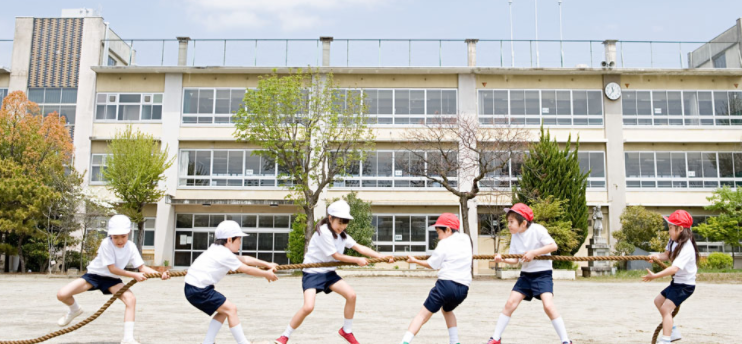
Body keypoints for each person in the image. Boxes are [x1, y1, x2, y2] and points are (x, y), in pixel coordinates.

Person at [275, 200, 393, 344]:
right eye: (340, 222)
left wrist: (382, 257)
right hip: (312, 272)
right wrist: (357, 260)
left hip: (329, 273)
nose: (342, 227)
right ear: (330, 218)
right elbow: (336, 256)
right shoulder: (323, 231)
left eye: (345, 223)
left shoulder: (342, 234)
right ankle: (285, 336)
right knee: (308, 307)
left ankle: (346, 331)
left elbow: (359, 247)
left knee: (351, 295)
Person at [55, 215, 170, 344]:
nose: (120, 240)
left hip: (112, 280)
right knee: (62, 294)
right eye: (115, 237)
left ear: (129, 233)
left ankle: (127, 339)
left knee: (131, 300)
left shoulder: (131, 247)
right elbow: (112, 269)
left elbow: (142, 267)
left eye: (123, 236)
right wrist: (134, 275)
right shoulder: (106, 244)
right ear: (110, 235)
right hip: (94, 276)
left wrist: (160, 274)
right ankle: (75, 309)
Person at [486, 203, 571, 344]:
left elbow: (553, 246)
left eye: (511, 222)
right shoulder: (515, 236)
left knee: (548, 306)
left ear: (523, 223)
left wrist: (533, 253)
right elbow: (515, 259)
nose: (509, 225)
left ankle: (566, 340)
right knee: (510, 303)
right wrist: (502, 259)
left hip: (543, 274)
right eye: (508, 222)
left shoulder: (538, 230)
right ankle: (496, 338)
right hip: (526, 275)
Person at [400, 213, 472, 344]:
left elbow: (432, 264)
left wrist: (415, 261)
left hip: (446, 286)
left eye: (439, 232)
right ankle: (455, 342)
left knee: (422, 315)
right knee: (447, 310)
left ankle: (404, 342)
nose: (439, 237)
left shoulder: (444, 243)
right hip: (463, 289)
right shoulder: (466, 239)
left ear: (448, 230)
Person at [643, 210, 698, 344]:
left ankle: (666, 339)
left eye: (671, 228)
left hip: (685, 286)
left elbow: (674, 268)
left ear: (680, 229)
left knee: (665, 309)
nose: (669, 231)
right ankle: (672, 330)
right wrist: (655, 256)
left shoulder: (687, 247)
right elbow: (666, 255)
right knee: (658, 301)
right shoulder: (673, 241)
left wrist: (655, 276)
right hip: (677, 283)